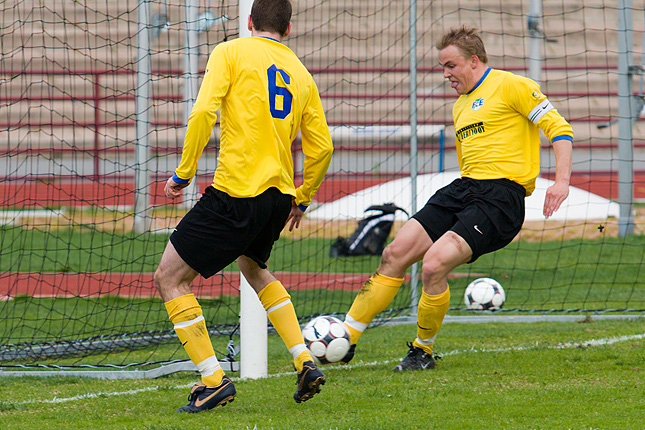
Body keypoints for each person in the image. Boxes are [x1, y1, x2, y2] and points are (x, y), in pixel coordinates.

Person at [341, 26, 573, 370]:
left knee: (433, 265)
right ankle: (343, 339)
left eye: (450, 65)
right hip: (465, 189)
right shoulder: (461, 105)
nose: (446, 74)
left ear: (474, 61)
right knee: (394, 253)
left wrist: (561, 181)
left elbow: (560, 129)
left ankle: (421, 351)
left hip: (501, 197)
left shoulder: (513, 86)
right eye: (442, 67)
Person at [154, 0, 333, 412]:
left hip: (237, 190)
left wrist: (184, 172)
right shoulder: (301, 73)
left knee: (169, 278)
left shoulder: (231, 51)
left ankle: (213, 381)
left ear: (249, 22)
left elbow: (203, 111)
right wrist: (302, 198)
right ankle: (304, 358)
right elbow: (323, 148)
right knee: (254, 267)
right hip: (278, 196)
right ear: (287, 29)